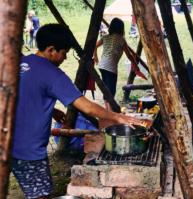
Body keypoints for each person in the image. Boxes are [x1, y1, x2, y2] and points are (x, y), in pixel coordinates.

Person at [12, 24, 144, 199]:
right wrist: (118, 117)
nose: (65, 58)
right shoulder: (53, 74)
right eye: (64, 52)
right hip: (28, 149)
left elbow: (22, 94)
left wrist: (52, 112)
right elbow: (87, 107)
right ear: (51, 50)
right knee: (40, 194)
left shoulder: (20, 63)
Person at [93, 17, 137, 110]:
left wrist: (96, 57)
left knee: (106, 88)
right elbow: (129, 55)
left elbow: (94, 46)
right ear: (121, 29)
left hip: (102, 66)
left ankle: (107, 109)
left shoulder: (105, 37)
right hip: (111, 67)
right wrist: (135, 64)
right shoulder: (121, 39)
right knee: (111, 91)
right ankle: (110, 111)